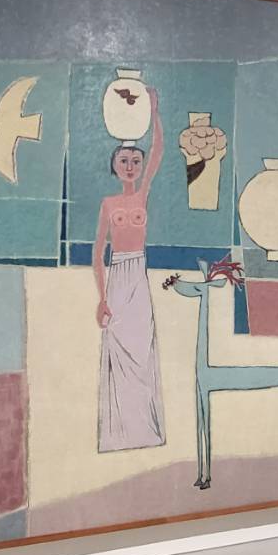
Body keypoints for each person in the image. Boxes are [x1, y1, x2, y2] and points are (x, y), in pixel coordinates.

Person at [93, 88, 166, 452]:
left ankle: (146, 431)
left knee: (142, 348)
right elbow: (97, 253)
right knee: (118, 347)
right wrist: (101, 298)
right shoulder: (108, 204)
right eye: (124, 160)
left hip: (139, 274)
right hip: (117, 278)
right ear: (114, 165)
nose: (131, 165)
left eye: (135, 160)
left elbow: (159, 150)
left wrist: (154, 110)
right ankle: (119, 434)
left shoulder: (142, 195)